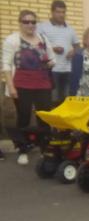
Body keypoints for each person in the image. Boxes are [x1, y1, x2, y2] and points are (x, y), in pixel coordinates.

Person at [2, 10, 55, 165]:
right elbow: (5, 65)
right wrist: (11, 87)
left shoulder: (42, 38)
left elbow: (52, 58)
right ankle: (23, 149)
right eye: (26, 22)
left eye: (33, 22)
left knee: (44, 117)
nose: (30, 25)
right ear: (20, 23)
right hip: (22, 84)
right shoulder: (12, 40)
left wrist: (51, 63)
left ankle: (45, 148)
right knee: (23, 117)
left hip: (43, 83)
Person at [36, 0, 80, 105]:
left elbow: (77, 45)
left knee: (67, 101)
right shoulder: (42, 27)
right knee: (53, 100)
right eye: (58, 12)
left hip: (68, 70)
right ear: (52, 12)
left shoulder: (70, 29)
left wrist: (74, 51)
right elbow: (37, 46)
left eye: (63, 12)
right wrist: (53, 49)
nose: (61, 15)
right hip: (51, 70)